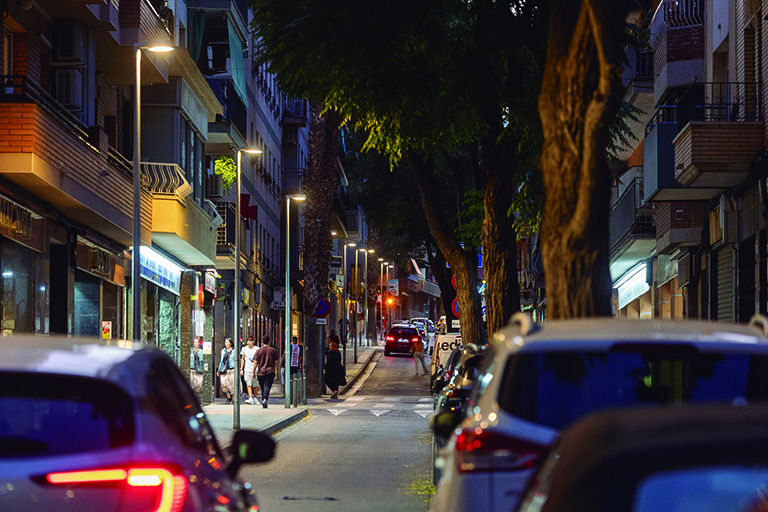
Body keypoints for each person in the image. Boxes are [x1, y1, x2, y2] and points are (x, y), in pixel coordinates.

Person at [254, 335, 279, 408]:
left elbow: (255, 362)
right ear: (269, 341)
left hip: (260, 372)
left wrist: (253, 372)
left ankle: (264, 399)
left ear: (262, 341)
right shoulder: (272, 350)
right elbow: (275, 362)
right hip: (270, 371)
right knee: (267, 386)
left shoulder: (259, 351)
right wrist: (275, 370)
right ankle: (265, 399)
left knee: (262, 387)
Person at [241, 336, 259, 404]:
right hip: (247, 369)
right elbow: (242, 359)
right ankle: (250, 398)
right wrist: (241, 369)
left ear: (253, 341)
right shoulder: (244, 349)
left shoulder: (257, 349)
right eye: (248, 341)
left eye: (250, 341)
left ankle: (256, 398)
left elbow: (259, 358)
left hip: (255, 369)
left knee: (255, 384)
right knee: (248, 383)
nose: (249, 342)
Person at [216, 338, 235, 404]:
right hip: (224, 370)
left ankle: (233, 398)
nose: (226, 344)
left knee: (232, 385)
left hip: (232, 369)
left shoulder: (234, 351)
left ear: (231, 343)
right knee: (223, 384)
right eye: (225, 342)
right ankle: (228, 396)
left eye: (228, 342)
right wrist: (218, 370)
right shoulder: (223, 351)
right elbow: (221, 361)